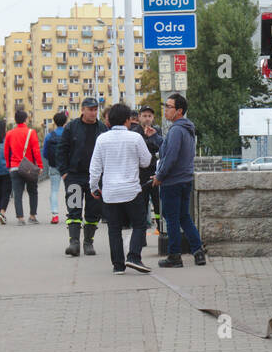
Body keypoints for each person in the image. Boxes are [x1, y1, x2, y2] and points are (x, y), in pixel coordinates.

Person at [89, 103, 155, 275]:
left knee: (114, 229)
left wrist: (94, 187)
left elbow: (95, 168)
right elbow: (146, 161)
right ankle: (134, 256)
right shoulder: (135, 138)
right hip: (131, 190)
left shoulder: (101, 139)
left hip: (110, 192)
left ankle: (118, 265)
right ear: (128, 120)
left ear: (109, 121)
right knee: (140, 224)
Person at [153, 92, 207, 268]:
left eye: (169, 107)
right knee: (184, 217)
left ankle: (175, 256)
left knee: (172, 219)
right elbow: (169, 149)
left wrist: (160, 176)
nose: (165, 110)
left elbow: (171, 157)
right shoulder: (186, 128)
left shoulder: (176, 129)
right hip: (185, 180)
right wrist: (155, 136)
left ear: (179, 111)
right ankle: (198, 251)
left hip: (172, 182)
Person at [57, 97, 107, 256]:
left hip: (95, 178)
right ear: (82, 110)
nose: (93, 112)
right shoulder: (71, 127)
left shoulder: (102, 128)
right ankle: (74, 243)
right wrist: (64, 172)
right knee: (74, 209)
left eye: (95, 110)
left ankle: (88, 243)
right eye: (90, 109)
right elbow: (61, 150)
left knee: (93, 211)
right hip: (74, 176)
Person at [3, 109, 42, 225]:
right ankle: (32, 216)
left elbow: (6, 152)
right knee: (33, 192)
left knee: (17, 194)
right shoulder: (31, 132)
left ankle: (20, 218)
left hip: (15, 167)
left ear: (15, 120)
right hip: (29, 168)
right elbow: (36, 150)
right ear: (26, 119)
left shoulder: (9, 133)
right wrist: (39, 165)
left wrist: (8, 165)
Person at [130, 105, 164, 242]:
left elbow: (160, 147)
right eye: (144, 116)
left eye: (150, 116)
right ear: (139, 117)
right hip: (140, 173)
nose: (147, 118)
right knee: (141, 205)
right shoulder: (135, 132)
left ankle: (162, 231)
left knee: (158, 204)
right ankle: (141, 236)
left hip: (155, 171)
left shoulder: (157, 131)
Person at [42, 111, 68, 224]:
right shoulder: (69, 134)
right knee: (72, 189)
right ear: (65, 121)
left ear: (54, 122)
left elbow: (45, 153)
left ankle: (55, 215)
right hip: (67, 167)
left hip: (54, 166)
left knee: (54, 190)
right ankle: (73, 214)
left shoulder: (49, 135)